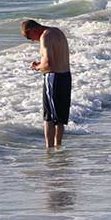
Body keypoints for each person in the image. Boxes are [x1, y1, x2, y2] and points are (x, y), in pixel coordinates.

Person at [20, 19, 71, 148]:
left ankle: (49, 150)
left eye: (28, 37)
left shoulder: (45, 36)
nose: (31, 40)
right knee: (60, 118)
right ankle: (58, 147)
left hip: (53, 77)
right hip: (65, 76)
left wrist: (36, 67)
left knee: (49, 117)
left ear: (32, 30)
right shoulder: (57, 32)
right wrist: (41, 64)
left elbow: (48, 64)